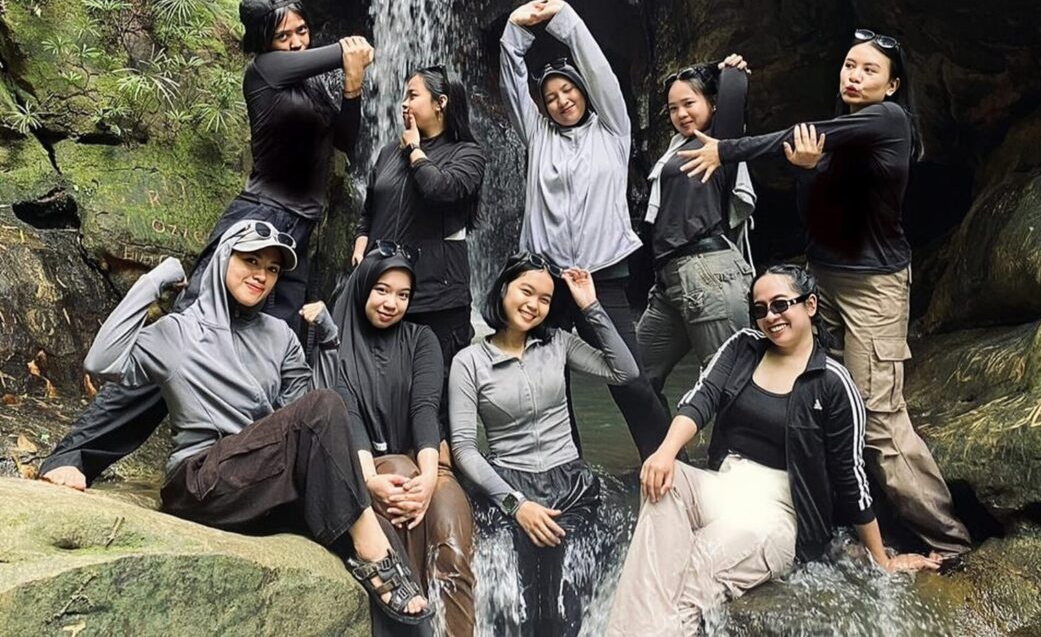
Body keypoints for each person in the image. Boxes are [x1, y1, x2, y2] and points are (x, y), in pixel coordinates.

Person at [41, 0, 374, 491]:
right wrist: (349, 50)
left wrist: (352, 88)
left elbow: (347, 140)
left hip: (296, 240)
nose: (296, 42)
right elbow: (328, 54)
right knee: (184, 343)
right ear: (264, 42)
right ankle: (74, 456)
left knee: (275, 356)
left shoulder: (314, 84)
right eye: (283, 35)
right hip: (256, 223)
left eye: (302, 31)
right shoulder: (264, 72)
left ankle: (258, 476)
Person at [679, 29, 972, 555]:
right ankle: (843, 526)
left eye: (868, 70)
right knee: (815, 401)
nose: (853, 76)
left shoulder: (889, 120)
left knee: (877, 419)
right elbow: (810, 213)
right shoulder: (836, 138)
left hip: (873, 287)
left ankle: (949, 543)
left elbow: (794, 133)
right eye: (849, 65)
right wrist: (809, 170)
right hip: (820, 280)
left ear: (892, 86)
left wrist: (726, 149)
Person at [82, 219, 433, 627]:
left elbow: (315, 422)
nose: (261, 275)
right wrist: (155, 280)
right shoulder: (178, 331)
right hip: (201, 483)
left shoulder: (280, 335)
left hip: (264, 483)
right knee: (367, 530)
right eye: (251, 260)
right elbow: (101, 362)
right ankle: (375, 552)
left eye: (272, 268)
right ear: (223, 259)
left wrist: (328, 343)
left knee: (378, 527)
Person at [607, 264, 941, 637]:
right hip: (724, 487)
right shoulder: (743, 347)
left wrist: (881, 560)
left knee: (691, 573)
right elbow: (701, 399)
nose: (770, 316)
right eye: (760, 309)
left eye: (781, 304)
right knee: (664, 484)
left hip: (777, 516)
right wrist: (666, 452)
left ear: (810, 305)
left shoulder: (833, 383)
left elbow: (851, 476)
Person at [499, 0, 669, 457]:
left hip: (603, 275)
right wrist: (515, 29)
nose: (561, 101)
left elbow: (600, 72)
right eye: (551, 97)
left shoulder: (613, 130)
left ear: (583, 90)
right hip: (544, 280)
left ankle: (669, 466)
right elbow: (512, 82)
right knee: (548, 382)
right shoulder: (537, 135)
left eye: (568, 91)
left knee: (629, 377)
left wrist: (565, 19)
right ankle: (569, 474)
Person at [448, 253, 640, 637]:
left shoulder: (559, 344)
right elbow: (464, 448)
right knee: (527, 592)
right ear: (503, 289)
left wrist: (590, 305)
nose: (533, 305)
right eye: (526, 291)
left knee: (564, 590)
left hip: (569, 481)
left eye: (545, 299)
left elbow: (625, 370)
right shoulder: (468, 361)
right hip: (509, 482)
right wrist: (515, 505)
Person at [319, 246, 475, 637]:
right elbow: (348, 414)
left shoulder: (422, 339)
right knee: (400, 485)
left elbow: (425, 409)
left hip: (425, 461)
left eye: (403, 295)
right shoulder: (335, 344)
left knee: (452, 545)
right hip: (364, 465)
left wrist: (429, 479)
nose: (392, 303)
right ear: (363, 288)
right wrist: (369, 480)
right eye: (382, 290)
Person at [352, 65, 486, 411]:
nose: (403, 104)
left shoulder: (467, 153)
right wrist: (362, 240)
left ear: (441, 103)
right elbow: (370, 208)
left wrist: (415, 151)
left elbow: (440, 189)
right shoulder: (388, 153)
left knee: (435, 396)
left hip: (437, 299)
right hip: (387, 294)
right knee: (382, 391)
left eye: (412, 95)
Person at [637, 55, 754, 400]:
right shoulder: (675, 149)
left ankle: (738, 443)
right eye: (673, 108)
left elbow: (735, 81)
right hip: (671, 278)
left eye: (689, 103)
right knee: (636, 380)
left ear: (713, 104)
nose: (681, 114)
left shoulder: (720, 141)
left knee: (730, 383)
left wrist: (718, 67)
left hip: (710, 272)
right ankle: (666, 439)